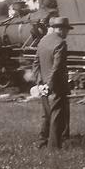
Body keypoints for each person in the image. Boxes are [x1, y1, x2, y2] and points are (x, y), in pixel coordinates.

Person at [32, 17, 73, 149]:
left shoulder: (42, 41)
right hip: (56, 86)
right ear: (60, 29)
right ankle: (54, 147)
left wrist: (40, 83)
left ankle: (41, 142)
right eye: (66, 30)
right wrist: (49, 86)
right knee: (57, 115)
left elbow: (36, 63)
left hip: (43, 84)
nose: (67, 33)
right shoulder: (61, 43)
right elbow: (56, 67)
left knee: (46, 114)